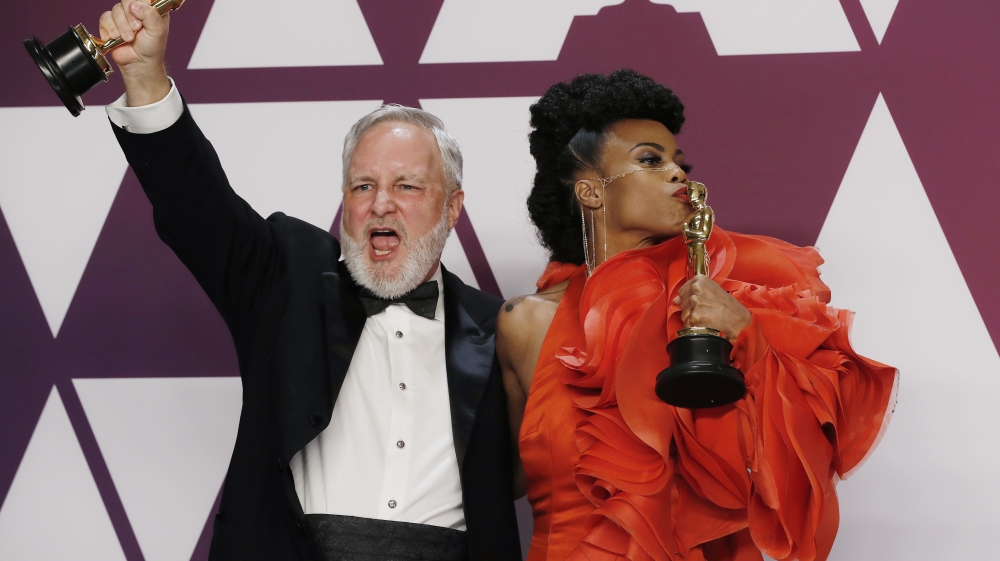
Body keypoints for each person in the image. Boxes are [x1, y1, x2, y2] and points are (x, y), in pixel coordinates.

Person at [96, 2, 521, 560]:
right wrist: (145, 76)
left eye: (407, 186)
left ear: (453, 207)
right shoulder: (286, 278)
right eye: (363, 185)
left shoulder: (503, 330)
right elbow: (197, 205)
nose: (381, 204)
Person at [497, 69, 897, 561]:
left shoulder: (715, 311)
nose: (678, 173)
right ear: (591, 191)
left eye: (680, 163)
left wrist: (747, 336)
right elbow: (496, 480)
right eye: (651, 159)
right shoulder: (525, 323)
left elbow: (797, 459)